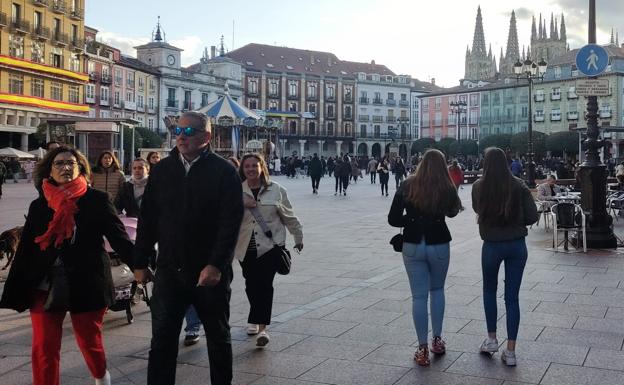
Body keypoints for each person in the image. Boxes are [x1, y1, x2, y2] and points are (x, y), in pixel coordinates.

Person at [0, 146, 134, 385]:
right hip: (44, 283)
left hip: (86, 280)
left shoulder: (97, 200)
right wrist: (16, 284)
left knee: (89, 340)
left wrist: (140, 265)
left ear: (80, 168)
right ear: (49, 170)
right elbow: (27, 248)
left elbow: (119, 238)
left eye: (71, 163)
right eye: (59, 163)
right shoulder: (40, 205)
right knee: (44, 344)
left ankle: (101, 377)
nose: (65, 167)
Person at [133, 111, 243, 385]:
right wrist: (140, 261)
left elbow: (230, 222)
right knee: (162, 340)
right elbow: (148, 218)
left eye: (189, 132)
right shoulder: (163, 170)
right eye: (178, 131)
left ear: (206, 137)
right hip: (170, 269)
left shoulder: (224, 171)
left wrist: (217, 264)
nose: (181, 137)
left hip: (209, 272)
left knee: (218, 337)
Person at [387, 149, 462, 366]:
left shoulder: (407, 184)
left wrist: (411, 221)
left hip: (412, 244)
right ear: (442, 164)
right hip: (438, 243)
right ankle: (437, 340)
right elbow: (453, 212)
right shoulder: (446, 185)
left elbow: (392, 219)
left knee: (419, 297)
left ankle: (421, 349)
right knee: (437, 290)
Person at [472, 147, 539, 367]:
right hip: (517, 246)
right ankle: (510, 352)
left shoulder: (478, 186)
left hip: (491, 245)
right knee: (512, 298)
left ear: (486, 163)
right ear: (507, 161)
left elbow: (476, 208)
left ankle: (491, 340)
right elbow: (531, 216)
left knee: (489, 291)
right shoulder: (519, 186)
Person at [234, 153, 303, 347]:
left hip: (271, 246)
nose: (250, 169)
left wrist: (298, 237)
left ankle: (262, 328)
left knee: (265, 285)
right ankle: (254, 318)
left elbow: (289, 216)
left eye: (254, 166)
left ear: (261, 167)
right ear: (243, 169)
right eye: (247, 166)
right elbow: (226, 216)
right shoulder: (235, 191)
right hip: (245, 245)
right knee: (250, 283)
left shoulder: (277, 190)